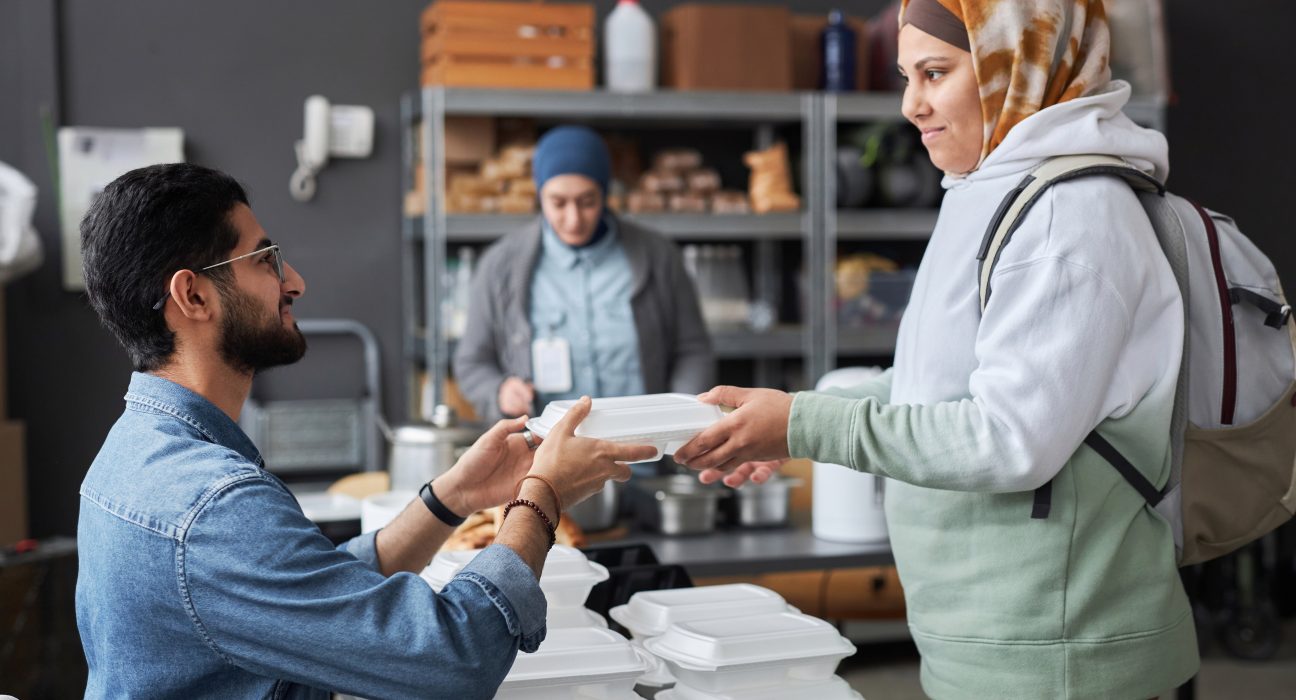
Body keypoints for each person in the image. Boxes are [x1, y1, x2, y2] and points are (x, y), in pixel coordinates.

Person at [674, 1, 1199, 697]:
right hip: (992, 643)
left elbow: (1007, 439)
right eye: (906, 76)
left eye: (934, 73)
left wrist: (805, 423)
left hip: (1059, 659)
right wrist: (793, 420)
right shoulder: (992, 191)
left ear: (1018, 64)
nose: (911, 105)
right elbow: (934, 385)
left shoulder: (1071, 218)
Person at [76, 163, 656, 699]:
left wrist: (452, 496)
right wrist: (542, 498)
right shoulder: (210, 505)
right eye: (264, 260)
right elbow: (454, 658)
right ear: (193, 295)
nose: (294, 281)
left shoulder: (136, 450)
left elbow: (313, 593)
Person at [454, 125, 713, 422]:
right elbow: (472, 362)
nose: (573, 219)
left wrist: (681, 417)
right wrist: (499, 391)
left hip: (646, 455)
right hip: (547, 462)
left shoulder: (658, 256)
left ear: (604, 193)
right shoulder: (500, 266)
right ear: (540, 195)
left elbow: (692, 350)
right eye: (558, 203)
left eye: (587, 201)